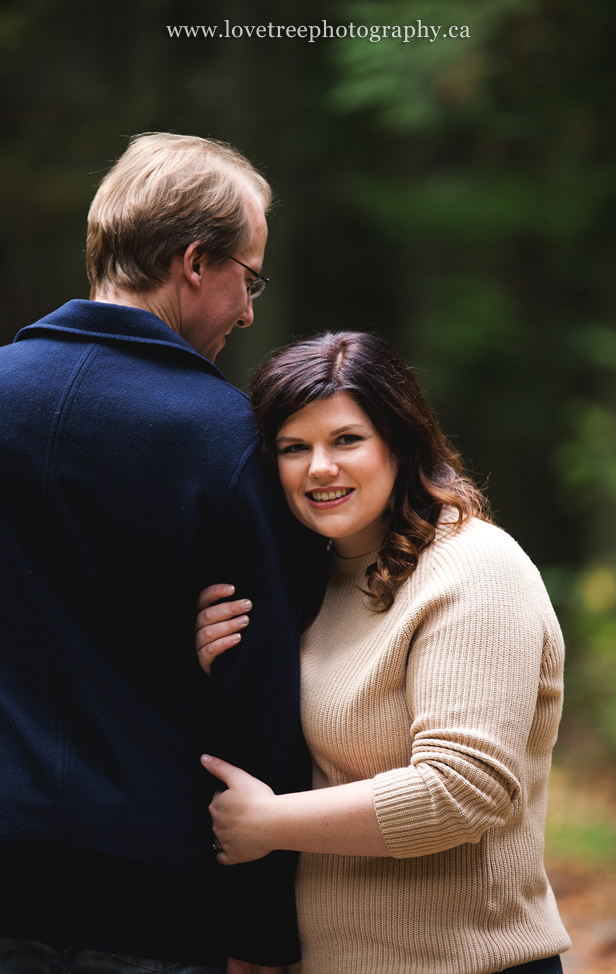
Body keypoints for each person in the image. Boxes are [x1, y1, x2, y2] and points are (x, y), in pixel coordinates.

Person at [0, 133, 311, 974]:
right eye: (249, 278)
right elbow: (261, 706)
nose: (249, 311)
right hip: (154, 900)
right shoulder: (230, 441)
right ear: (196, 261)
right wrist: (261, 936)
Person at [196, 331, 572, 974]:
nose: (320, 467)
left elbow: (462, 790)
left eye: (346, 440)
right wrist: (214, 662)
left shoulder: (473, 567)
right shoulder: (309, 582)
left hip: (468, 963)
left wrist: (267, 824)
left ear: (400, 441)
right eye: (294, 448)